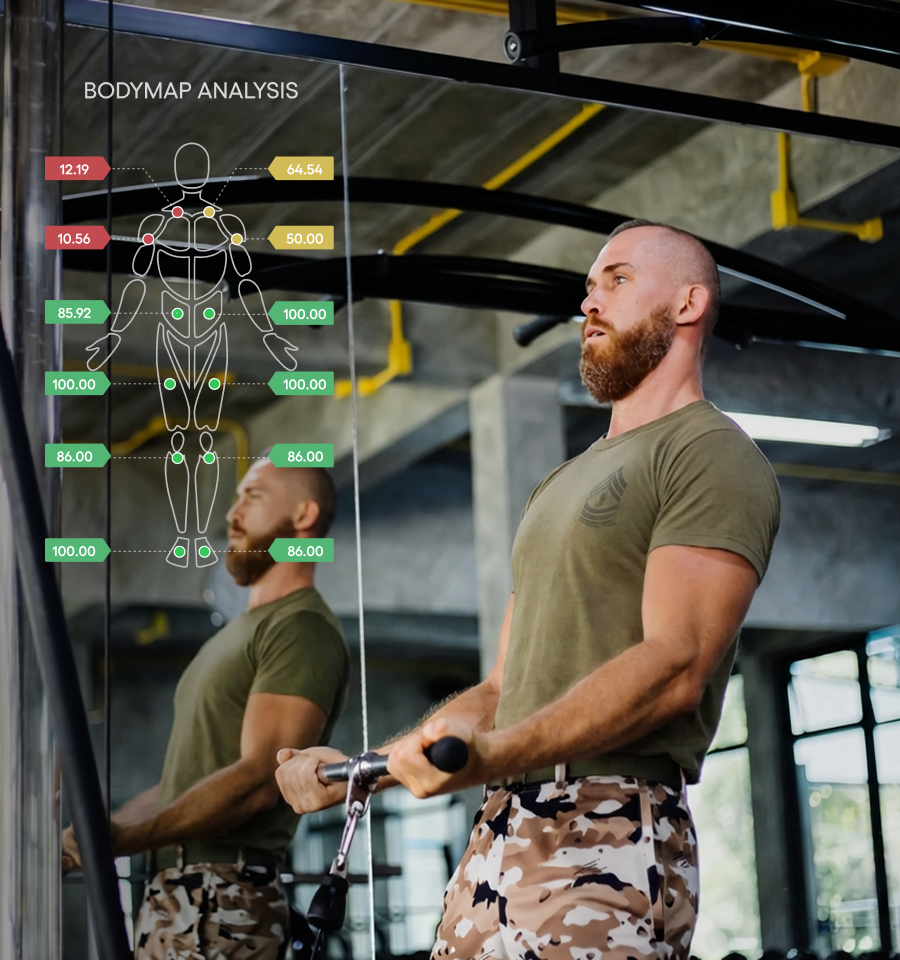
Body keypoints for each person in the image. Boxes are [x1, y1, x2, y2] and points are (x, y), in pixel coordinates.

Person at [275, 220, 781, 960]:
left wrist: (500, 749)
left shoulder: (709, 454)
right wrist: (362, 774)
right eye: (587, 289)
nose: (591, 303)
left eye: (617, 280)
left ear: (687, 304)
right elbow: (504, 688)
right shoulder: (561, 482)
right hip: (506, 825)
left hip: (611, 822)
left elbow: (675, 665)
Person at [62, 459, 350, 960]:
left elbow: (262, 778)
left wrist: (124, 839)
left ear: (304, 514)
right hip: (180, 895)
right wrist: (95, 833)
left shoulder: (300, 626)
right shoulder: (237, 633)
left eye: (253, 496)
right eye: (236, 497)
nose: (233, 514)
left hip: (223, 899)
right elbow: (181, 787)